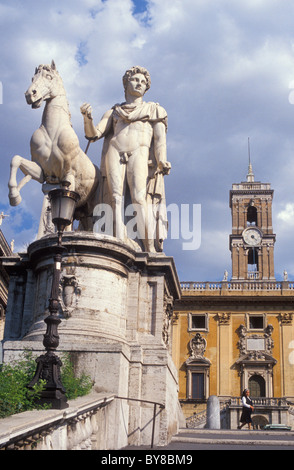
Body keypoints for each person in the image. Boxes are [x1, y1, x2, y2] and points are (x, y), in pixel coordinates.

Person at [80, 66, 171, 252]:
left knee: (138, 198)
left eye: (143, 82)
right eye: (135, 80)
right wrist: (87, 118)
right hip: (115, 150)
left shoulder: (154, 110)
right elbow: (94, 135)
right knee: (115, 198)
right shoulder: (114, 111)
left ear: (146, 88)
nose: (139, 84)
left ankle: (148, 247)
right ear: (126, 82)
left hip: (140, 151)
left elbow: (160, 139)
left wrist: (162, 160)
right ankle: (119, 243)